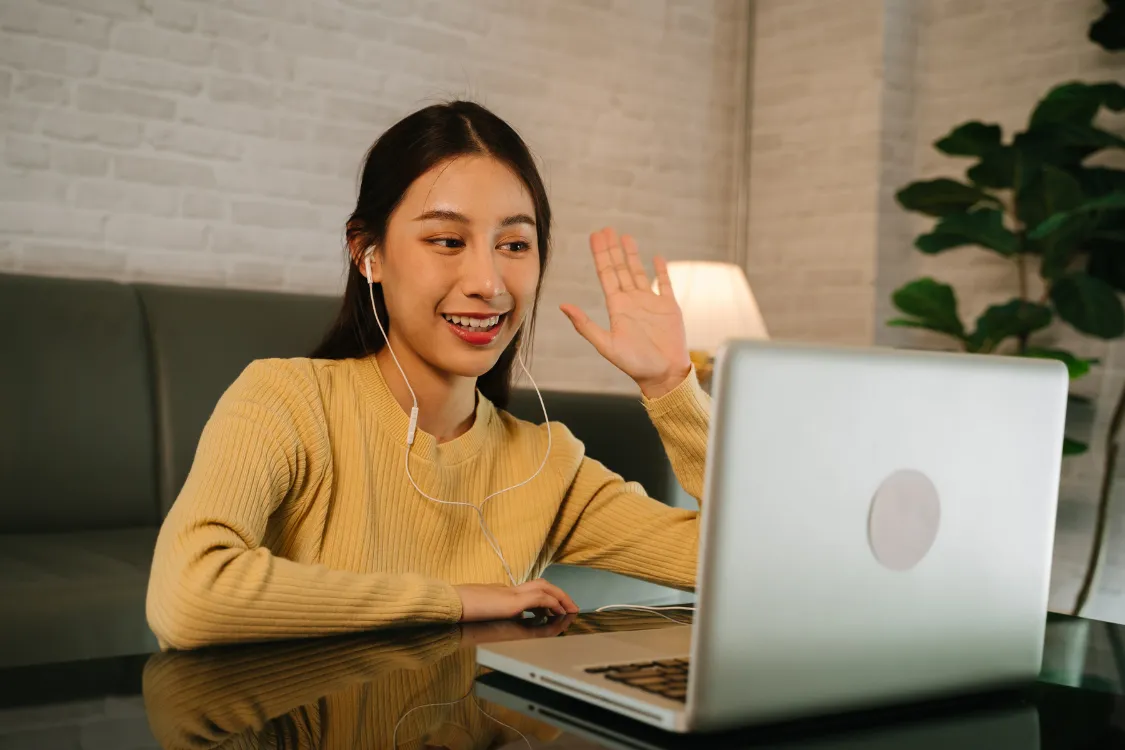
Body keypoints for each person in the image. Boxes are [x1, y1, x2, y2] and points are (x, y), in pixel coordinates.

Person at [145, 100, 711, 651]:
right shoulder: (287, 402)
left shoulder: (547, 467)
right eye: (447, 241)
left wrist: (671, 386)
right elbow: (190, 595)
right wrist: (456, 601)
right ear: (368, 253)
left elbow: (764, 567)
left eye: (514, 244)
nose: (488, 282)